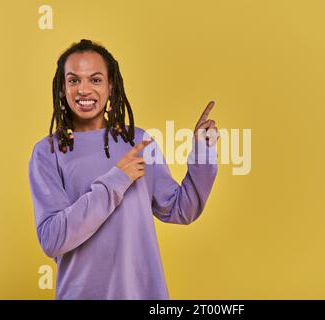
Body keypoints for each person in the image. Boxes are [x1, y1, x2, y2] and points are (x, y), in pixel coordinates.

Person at [28, 39, 219, 299]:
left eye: (95, 80)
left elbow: (180, 209)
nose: (83, 90)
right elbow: (53, 239)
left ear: (110, 86)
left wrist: (203, 152)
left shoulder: (138, 141)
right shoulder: (47, 153)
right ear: (62, 88)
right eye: (73, 80)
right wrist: (116, 180)